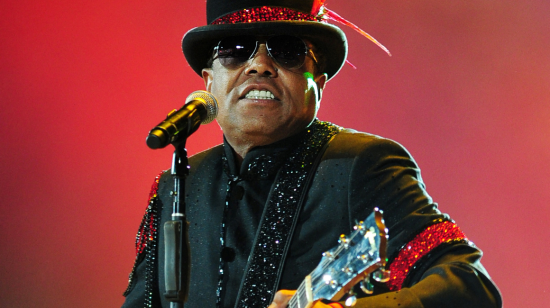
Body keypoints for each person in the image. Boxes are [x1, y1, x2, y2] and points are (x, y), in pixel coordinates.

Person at [122, 0, 502, 307]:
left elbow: (469, 288)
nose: (259, 64)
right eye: (236, 50)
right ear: (208, 82)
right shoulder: (176, 187)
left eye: (286, 51)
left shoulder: (363, 165)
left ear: (318, 85)